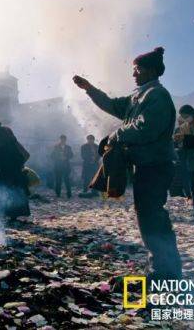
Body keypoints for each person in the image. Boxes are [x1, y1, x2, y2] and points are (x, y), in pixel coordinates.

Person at [73, 46, 182, 279]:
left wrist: (115, 135)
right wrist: (90, 89)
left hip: (156, 165)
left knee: (152, 215)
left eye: (137, 69)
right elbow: (112, 105)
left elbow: (145, 128)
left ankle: (166, 270)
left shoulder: (157, 96)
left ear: (151, 70)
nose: (133, 74)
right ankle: (161, 266)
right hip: (146, 165)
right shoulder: (138, 96)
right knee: (148, 214)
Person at [173, 104, 194, 221]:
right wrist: (178, 142)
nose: (185, 119)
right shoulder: (183, 127)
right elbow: (181, 145)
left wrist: (185, 140)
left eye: (186, 116)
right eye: (182, 117)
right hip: (191, 161)